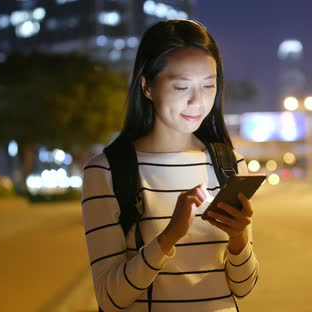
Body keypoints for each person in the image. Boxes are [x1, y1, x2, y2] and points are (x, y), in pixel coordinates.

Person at [81, 20, 259, 312]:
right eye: (181, 86)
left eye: (208, 85)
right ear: (147, 86)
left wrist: (239, 239)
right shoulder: (107, 172)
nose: (197, 101)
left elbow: (244, 286)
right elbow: (109, 298)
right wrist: (168, 238)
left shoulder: (228, 164)